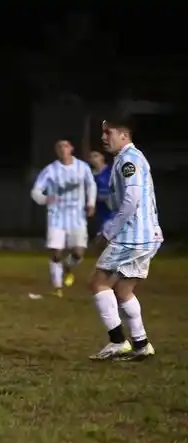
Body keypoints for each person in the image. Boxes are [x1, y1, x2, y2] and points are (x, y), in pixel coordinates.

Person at [89, 114, 163, 361]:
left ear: (124, 135)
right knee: (123, 290)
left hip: (133, 236)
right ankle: (141, 344)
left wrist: (109, 231)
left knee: (98, 283)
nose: (103, 137)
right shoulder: (127, 158)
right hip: (146, 235)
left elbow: (132, 200)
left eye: (108, 132)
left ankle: (118, 342)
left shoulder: (129, 160)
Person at [30, 138, 97, 297]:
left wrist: (91, 203)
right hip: (56, 216)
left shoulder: (82, 167)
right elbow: (35, 191)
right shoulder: (50, 170)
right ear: (56, 151)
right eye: (59, 147)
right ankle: (57, 287)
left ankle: (67, 266)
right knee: (55, 252)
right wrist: (45, 199)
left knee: (78, 253)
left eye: (65, 146)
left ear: (71, 148)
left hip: (77, 216)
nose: (62, 149)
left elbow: (91, 185)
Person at [88, 148, 114, 233]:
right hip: (100, 207)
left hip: (113, 206)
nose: (93, 159)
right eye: (90, 157)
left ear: (102, 157)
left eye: (96, 156)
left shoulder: (111, 170)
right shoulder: (90, 174)